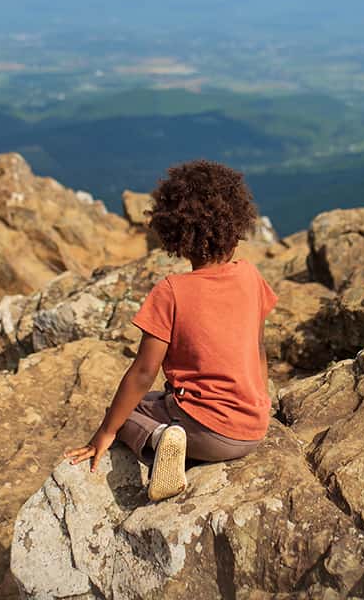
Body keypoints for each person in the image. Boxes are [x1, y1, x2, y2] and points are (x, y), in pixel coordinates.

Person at [64, 159, 278, 501]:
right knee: (155, 400)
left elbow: (143, 372)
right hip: (253, 427)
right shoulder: (251, 277)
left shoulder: (172, 291)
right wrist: (261, 401)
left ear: (175, 233)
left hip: (205, 434)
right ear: (236, 224)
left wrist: (104, 432)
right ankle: (172, 432)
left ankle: (160, 439)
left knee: (125, 412)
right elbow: (258, 349)